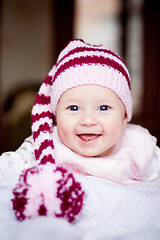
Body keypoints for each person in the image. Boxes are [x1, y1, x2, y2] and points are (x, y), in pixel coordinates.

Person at [1, 39, 160, 240]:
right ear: (56, 115)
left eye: (103, 108)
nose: (87, 120)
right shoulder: (45, 145)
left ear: (124, 117)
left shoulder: (139, 146)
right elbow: (7, 167)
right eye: (73, 108)